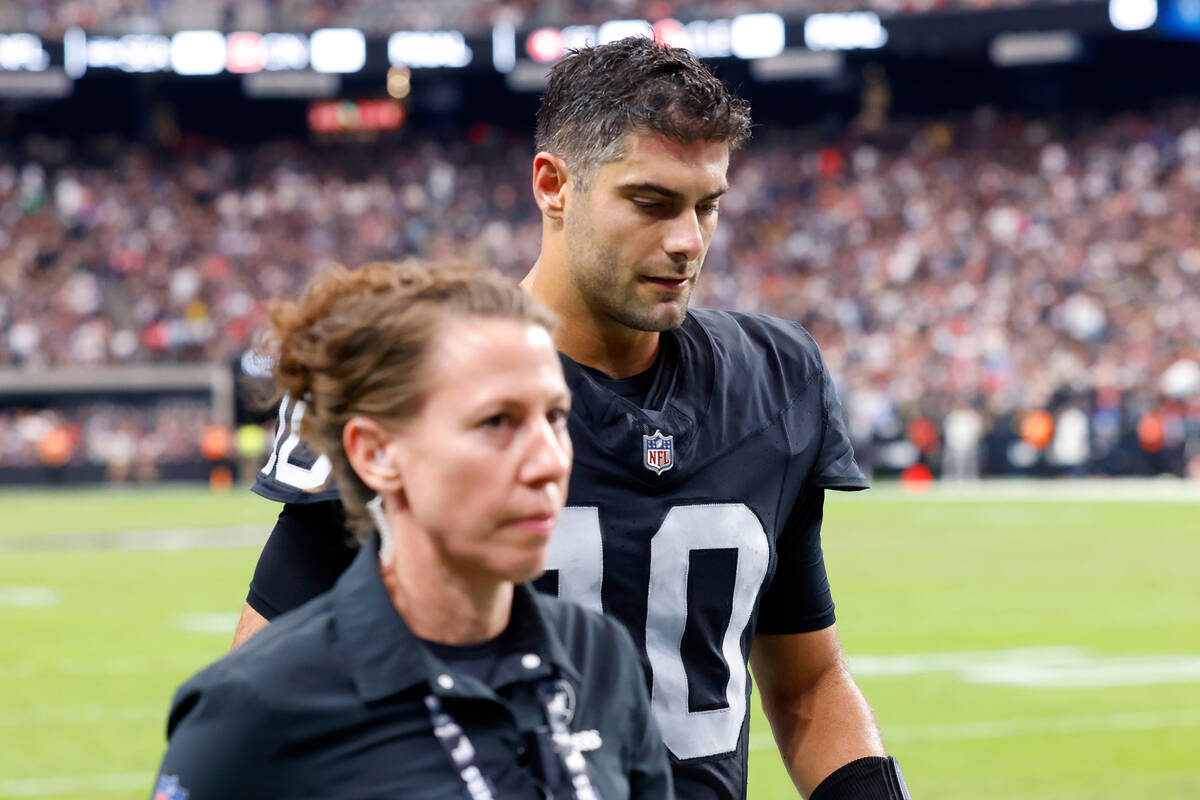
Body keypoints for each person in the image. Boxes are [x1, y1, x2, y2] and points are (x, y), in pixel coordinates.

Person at [239, 37, 912, 800]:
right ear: (553, 185)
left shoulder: (775, 379)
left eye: (707, 206)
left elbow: (807, 684)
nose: (688, 242)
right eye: (651, 202)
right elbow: (263, 699)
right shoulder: (414, 380)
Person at [154, 261, 674, 799]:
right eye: (497, 421)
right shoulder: (252, 708)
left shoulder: (599, 656)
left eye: (556, 417)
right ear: (375, 454)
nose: (550, 461)